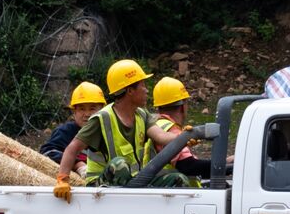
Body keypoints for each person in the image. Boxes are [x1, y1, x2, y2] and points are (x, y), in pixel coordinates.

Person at [53, 59, 175, 198]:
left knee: (176, 179)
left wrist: (184, 137)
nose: (147, 90)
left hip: (133, 182)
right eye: (143, 85)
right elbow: (72, 149)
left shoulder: (142, 115)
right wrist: (63, 180)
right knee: (119, 165)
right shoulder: (102, 120)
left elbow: (161, 136)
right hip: (99, 188)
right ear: (130, 90)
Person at [151, 76, 210, 187]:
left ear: (158, 107)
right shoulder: (171, 130)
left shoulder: (157, 126)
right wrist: (226, 167)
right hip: (175, 195)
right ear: (183, 107)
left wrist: (225, 161)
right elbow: (189, 166)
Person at [40, 82, 106, 176]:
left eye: (92, 109)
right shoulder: (65, 132)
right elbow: (47, 152)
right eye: (82, 109)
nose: (87, 114)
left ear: (102, 110)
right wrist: (77, 164)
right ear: (74, 112)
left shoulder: (107, 132)